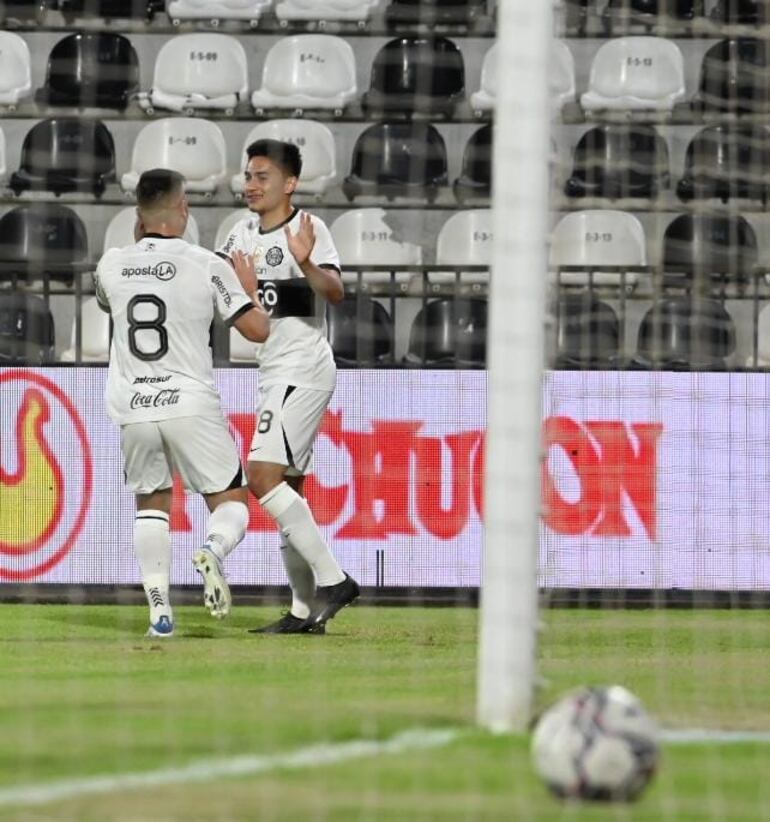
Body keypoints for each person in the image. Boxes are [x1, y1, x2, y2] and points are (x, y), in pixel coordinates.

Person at [94, 168, 270, 637]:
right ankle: (212, 549)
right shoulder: (206, 263)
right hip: (188, 401)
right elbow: (257, 331)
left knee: (151, 503)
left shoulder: (111, 263)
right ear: (183, 208)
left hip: (134, 404)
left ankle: (159, 613)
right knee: (231, 501)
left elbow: (109, 303)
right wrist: (249, 290)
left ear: (138, 214)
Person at [217, 138, 360, 635]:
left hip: (302, 368)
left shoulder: (308, 229)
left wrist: (305, 264)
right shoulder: (238, 235)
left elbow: (335, 293)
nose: (251, 185)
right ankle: (302, 613)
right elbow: (231, 300)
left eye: (262, 177)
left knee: (261, 476)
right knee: (289, 490)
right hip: (273, 369)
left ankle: (335, 580)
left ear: (290, 183)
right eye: (248, 176)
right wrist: (244, 293)